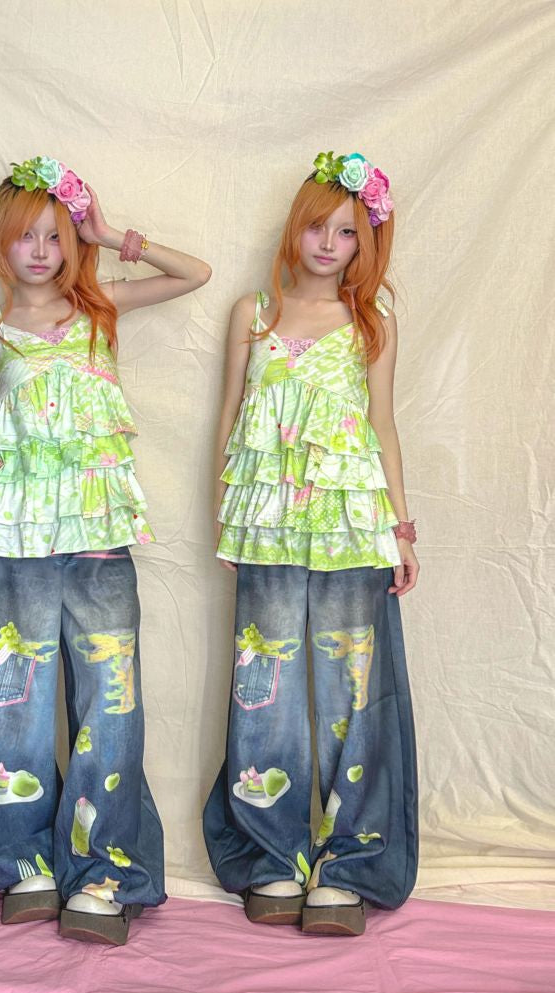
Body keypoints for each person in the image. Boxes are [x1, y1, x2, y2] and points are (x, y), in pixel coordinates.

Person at [0, 155, 211, 946]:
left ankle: (104, 872)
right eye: (24, 236)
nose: (40, 251)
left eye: (55, 236)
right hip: (13, 532)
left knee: (110, 698)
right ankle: (23, 863)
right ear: (0, 243)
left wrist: (108, 233)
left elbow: (194, 273)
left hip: (97, 532)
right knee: (14, 697)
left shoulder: (100, 307)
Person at [202, 151, 418, 936]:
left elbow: (382, 425)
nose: (329, 244)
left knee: (351, 692)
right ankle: (272, 854)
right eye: (317, 227)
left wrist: (401, 529)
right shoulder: (253, 313)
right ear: (295, 230)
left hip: (350, 525)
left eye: (347, 232)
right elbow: (230, 416)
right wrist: (222, 511)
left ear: (366, 243)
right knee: (265, 688)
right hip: (266, 522)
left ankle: (350, 863)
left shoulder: (371, 322)